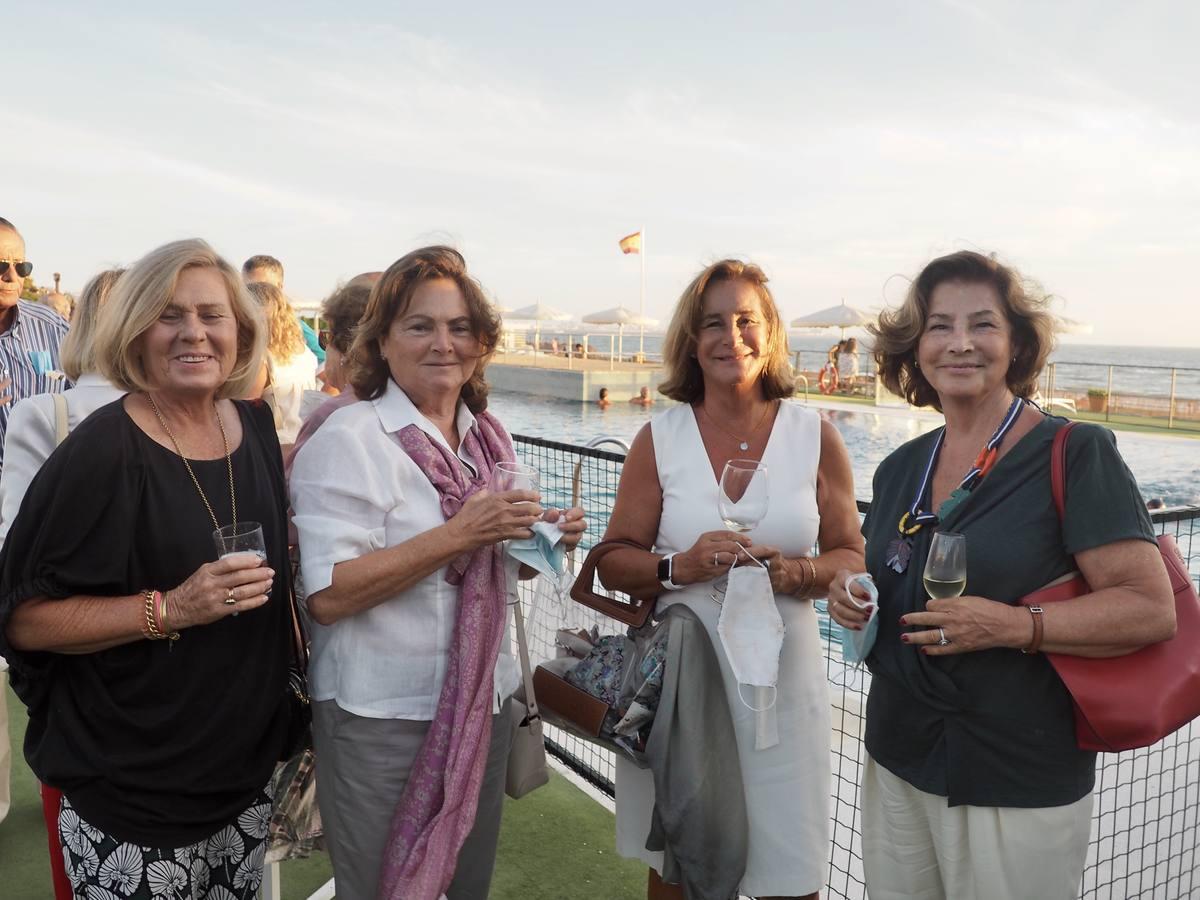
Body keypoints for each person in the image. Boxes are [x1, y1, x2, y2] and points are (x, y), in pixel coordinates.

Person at [826, 250, 1175, 900]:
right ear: (917, 347)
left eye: (982, 325)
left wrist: (1015, 626)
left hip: (1015, 770)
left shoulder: (1077, 453)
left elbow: (1151, 609)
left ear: (1016, 345)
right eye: (939, 326)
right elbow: (885, 573)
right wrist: (856, 596)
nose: (960, 343)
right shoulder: (901, 467)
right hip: (898, 754)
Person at [0, 238, 295, 899]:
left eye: (211, 314)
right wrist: (174, 608)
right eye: (170, 314)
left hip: (242, 781)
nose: (194, 332)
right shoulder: (101, 451)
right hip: (131, 795)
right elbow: (23, 620)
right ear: (136, 329)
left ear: (241, 329)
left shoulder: (255, 428)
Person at [289, 246, 586, 900]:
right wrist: (459, 534)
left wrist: (539, 540)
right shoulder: (350, 437)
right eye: (420, 326)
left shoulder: (487, 440)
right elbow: (330, 595)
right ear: (383, 341)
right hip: (380, 715)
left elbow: (498, 573)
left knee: (465, 888)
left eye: (460, 328)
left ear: (482, 342)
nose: (443, 343)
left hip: (483, 706)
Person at [598, 258, 864, 900]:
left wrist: (797, 572)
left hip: (785, 680)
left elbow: (852, 555)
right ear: (692, 341)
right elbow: (611, 560)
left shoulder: (815, 435)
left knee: (790, 864)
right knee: (680, 867)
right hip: (685, 679)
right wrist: (678, 565)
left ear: (769, 333)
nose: (731, 336)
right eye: (713, 323)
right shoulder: (657, 437)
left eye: (746, 320)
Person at [0, 217, 70, 469]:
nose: (11, 276)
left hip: (43, 492)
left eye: (21, 267)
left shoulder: (54, 329)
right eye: (0, 266)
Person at [245, 280, 319, 446]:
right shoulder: (305, 352)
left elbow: (245, 412)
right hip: (302, 440)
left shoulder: (261, 358)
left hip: (272, 445)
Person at [242, 253, 326, 364]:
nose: (254, 294)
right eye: (248, 288)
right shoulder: (239, 326)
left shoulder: (295, 329)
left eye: (263, 287)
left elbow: (324, 363)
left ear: (279, 287)